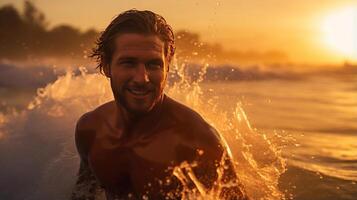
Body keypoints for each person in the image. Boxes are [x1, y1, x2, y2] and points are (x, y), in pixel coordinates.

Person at [71, 9, 248, 200]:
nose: (142, 78)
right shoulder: (91, 131)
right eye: (129, 63)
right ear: (106, 65)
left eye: (154, 65)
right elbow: (82, 195)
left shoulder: (199, 143)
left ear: (167, 66)